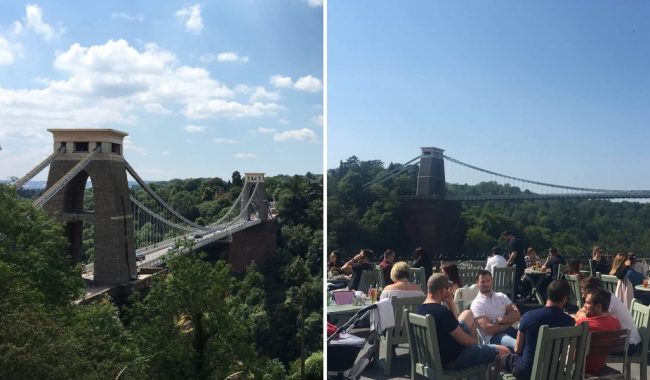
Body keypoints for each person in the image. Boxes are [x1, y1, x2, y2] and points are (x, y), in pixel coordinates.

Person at [416, 273, 510, 370]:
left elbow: (453, 324)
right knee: (504, 350)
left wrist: (451, 302)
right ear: (442, 291)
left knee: (468, 314)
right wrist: (475, 341)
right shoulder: (443, 313)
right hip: (454, 359)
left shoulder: (419, 310)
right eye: (447, 288)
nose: (449, 291)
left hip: (432, 360)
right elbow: (468, 342)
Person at [501, 280, 576, 379]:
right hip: (553, 371)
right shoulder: (569, 322)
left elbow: (517, 350)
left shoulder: (529, 317)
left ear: (547, 295)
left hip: (527, 371)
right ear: (565, 299)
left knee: (500, 357)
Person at [576, 277, 642, 356]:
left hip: (629, 344)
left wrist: (583, 317)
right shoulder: (599, 298)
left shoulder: (607, 301)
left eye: (584, 293)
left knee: (586, 346)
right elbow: (580, 313)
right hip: (618, 339)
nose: (583, 296)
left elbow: (592, 320)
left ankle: (587, 367)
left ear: (593, 292)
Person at [470, 270, 521, 352]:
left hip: (510, 330)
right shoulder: (477, 304)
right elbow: (489, 329)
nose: (486, 284)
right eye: (482, 282)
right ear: (477, 283)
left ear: (492, 281)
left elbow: (517, 314)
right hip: (493, 338)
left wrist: (501, 320)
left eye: (488, 281)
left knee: (530, 338)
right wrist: (508, 323)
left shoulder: (501, 296)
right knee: (518, 345)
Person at [575, 289, 622, 375]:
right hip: (599, 365)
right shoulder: (615, 323)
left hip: (580, 365)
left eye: (588, 303)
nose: (584, 305)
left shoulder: (583, 323)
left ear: (598, 307)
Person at [503, 230, 526, 299]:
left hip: (517, 264)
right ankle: (519, 296)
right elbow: (523, 251)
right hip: (522, 263)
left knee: (514, 281)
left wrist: (508, 262)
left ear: (508, 236)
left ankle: (520, 295)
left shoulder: (512, 243)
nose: (505, 239)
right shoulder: (519, 241)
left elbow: (514, 253)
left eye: (505, 237)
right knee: (518, 280)